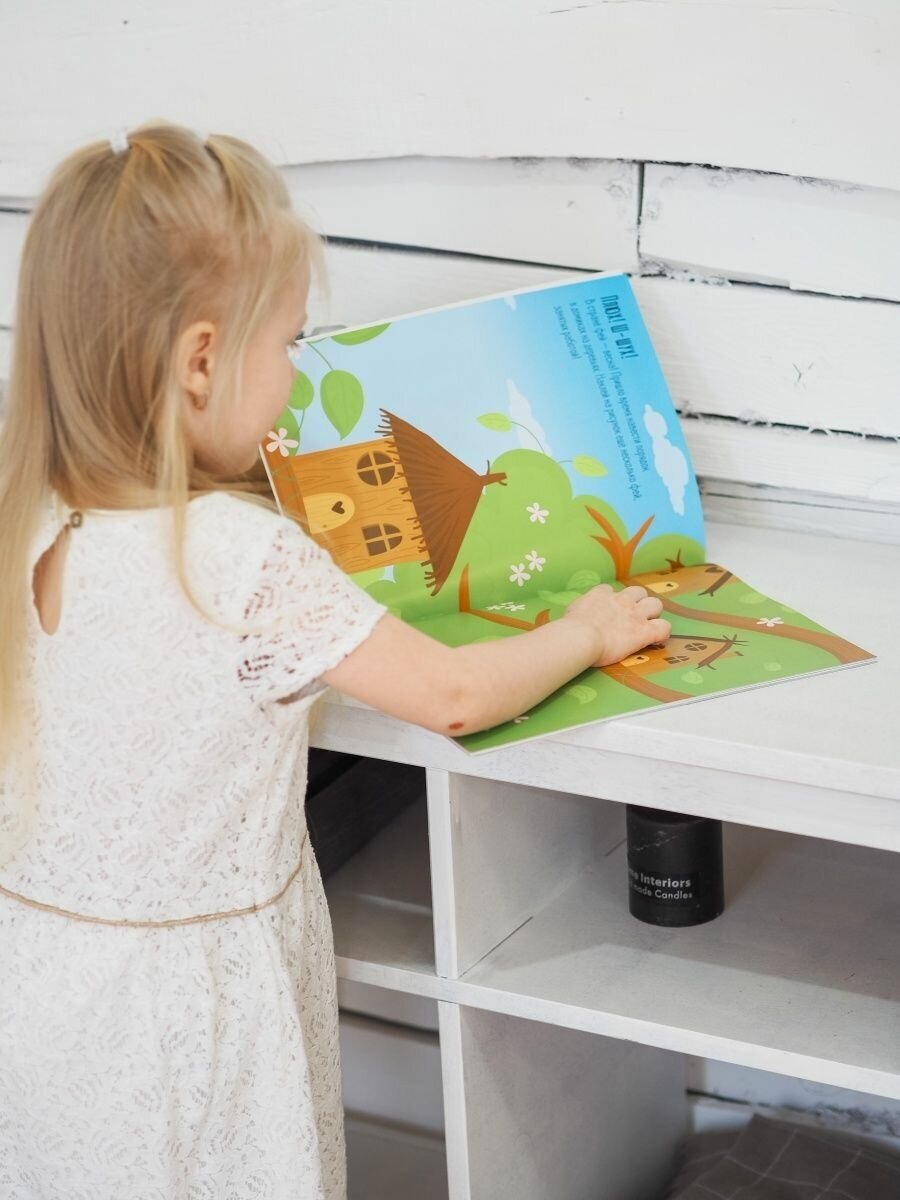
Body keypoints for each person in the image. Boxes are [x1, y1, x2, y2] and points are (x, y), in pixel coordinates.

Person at [0, 121, 670, 1198]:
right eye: (290, 343)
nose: (296, 378)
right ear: (202, 361)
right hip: (197, 1029)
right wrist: (586, 631)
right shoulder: (241, 558)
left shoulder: (24, 515)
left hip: (43, 1001)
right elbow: (454, 696)